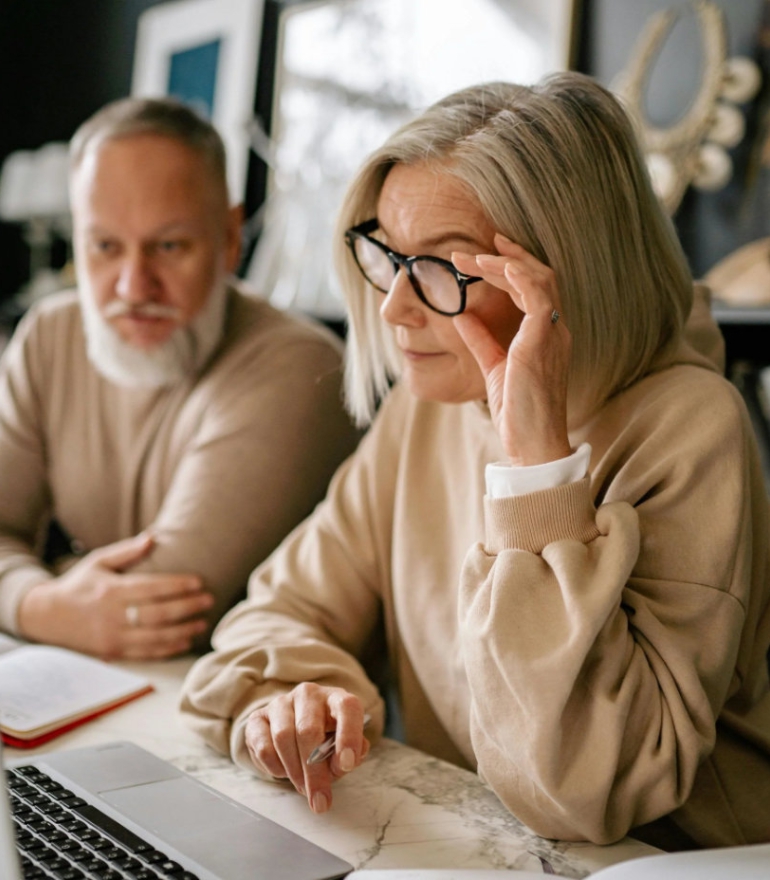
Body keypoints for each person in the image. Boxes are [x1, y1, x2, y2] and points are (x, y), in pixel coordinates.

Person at [179, 73, 770, 849]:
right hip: (471, 841)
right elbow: (280, 612)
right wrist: (299, 692)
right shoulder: (428, 407)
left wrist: (536, 469)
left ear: (569, 278)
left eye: (443, 269)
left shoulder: (692, 430)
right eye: (389, 255)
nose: (394, 306)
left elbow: (582, 794)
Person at [0, 97, 360, 660]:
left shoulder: (301, 367)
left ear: (230, 239)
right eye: (104, 247)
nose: (133, 287)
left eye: (169, 246)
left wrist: (34, 582)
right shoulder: (49, 336)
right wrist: (44, 604)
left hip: (252, 714)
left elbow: (164, 613)